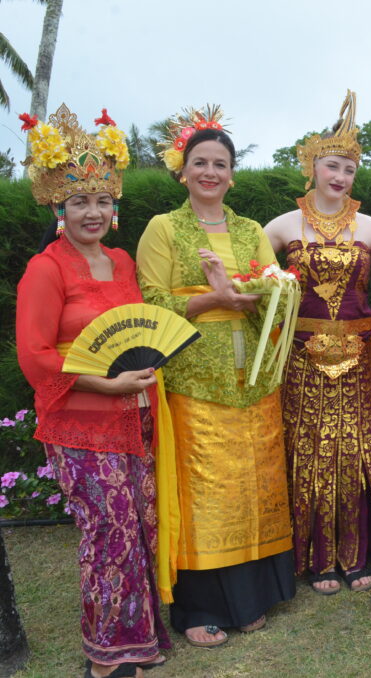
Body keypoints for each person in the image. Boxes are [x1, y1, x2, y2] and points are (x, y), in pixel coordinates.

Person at [16, 105, 170, 678]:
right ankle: (107, 657)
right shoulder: (46, 269)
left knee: (139, 527)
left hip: (134, 415)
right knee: (107, 531)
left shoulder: (122, 262)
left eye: (102, 201)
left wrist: (137, 379)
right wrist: (104, 382)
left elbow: (132, 331)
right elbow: (35, 354)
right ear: (58, 207)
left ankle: (140, 638)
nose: (93, 212)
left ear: (114, 206)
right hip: (80, 421)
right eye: (80, 201)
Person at [136, 106, 295, 648]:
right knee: (206, 490)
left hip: (253, 377)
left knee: (256, 483)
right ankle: (202, 606)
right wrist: (211, 299)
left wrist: (267, 295)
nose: (210, 172)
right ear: (183, 171)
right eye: (199, 163)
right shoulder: (163, 228)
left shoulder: (251, 230)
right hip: (194, 379)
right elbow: (150, 301)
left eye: (220, 164)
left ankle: (253, 600)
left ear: (232, 173)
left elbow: (274, 287)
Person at [264, 91, 371, 595]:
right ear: (313, 167)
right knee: (311, 449)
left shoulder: (368, 226)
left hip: (359, 354)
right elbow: (254, 278)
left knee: (355, 447)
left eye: (348, 168)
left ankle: (357, 553)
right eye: (332, 166)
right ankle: (315, 556)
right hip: (301, 359)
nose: (340, 177)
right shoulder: (284, 225)